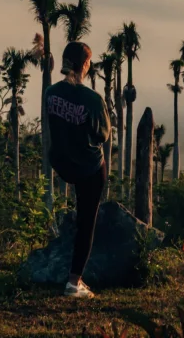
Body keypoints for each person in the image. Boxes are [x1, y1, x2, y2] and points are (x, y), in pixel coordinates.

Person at [46, 41, 111, 298]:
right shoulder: (92, 99)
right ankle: (74, 283)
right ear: (86, 65)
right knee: (87, 221)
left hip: (62, 163)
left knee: (81, 214)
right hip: (88, 167)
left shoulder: (51, 93)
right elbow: (103, 134)